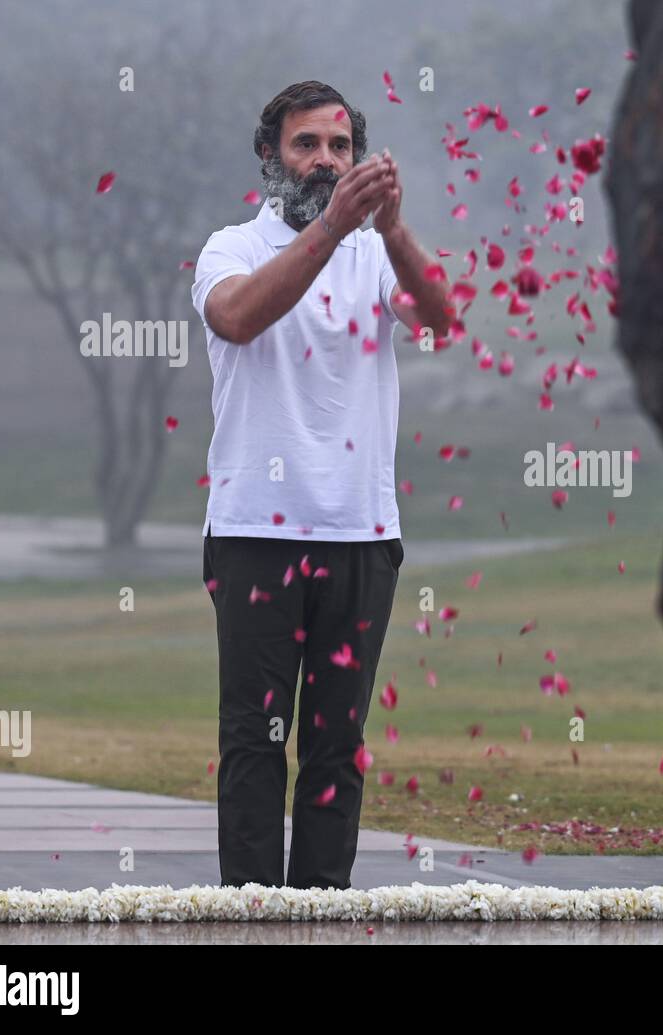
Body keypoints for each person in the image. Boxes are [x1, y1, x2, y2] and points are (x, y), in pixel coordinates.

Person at [191, 80, 451, 890]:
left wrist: (393, 228)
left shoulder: (374, 254)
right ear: (270, 154)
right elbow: (237, 318)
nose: (325, 161)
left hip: (361, 536)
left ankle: (323, 916)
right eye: (307, 144)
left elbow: (441, 316)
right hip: (254, 537)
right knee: (255, 739)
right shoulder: (231, 247)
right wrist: (334, 227)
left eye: (341, 148)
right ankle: (249, 917)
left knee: (338, 746)